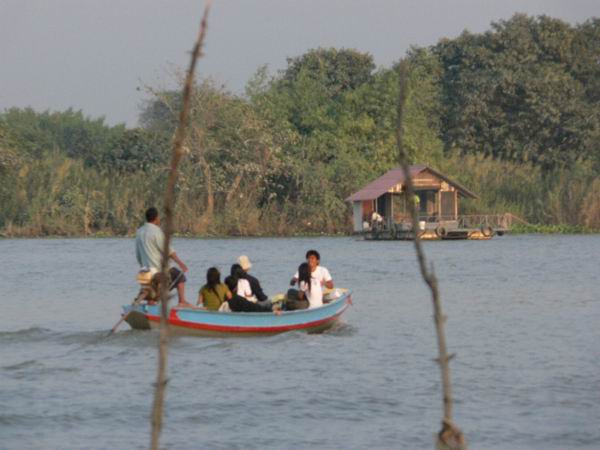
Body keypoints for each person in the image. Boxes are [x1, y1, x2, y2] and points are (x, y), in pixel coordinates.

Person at [135, 206, 191, 307]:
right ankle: (182, 301)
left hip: (144, 272)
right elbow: (168, 251)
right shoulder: (157, 232)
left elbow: (138, 255)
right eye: (158, 218)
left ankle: (151, 305)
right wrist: (181, 263)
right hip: (157, 272)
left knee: (152, 293)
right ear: (156, 218)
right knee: (180, 277)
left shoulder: (139, 232)